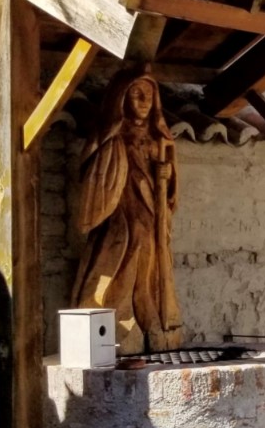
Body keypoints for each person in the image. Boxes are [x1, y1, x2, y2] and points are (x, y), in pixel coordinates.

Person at [71, 66, 184, 355]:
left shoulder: (161, 139)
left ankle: (152, 319)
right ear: (121, 98)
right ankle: (119, 319)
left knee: (151, 257)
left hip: (152, 211)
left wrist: (166, 175)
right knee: (126, 251)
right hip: (121, 211)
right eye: (136, 93)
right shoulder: (110, 136)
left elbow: (171, 191)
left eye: (149, 95)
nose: (144, 100)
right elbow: (97, 177)